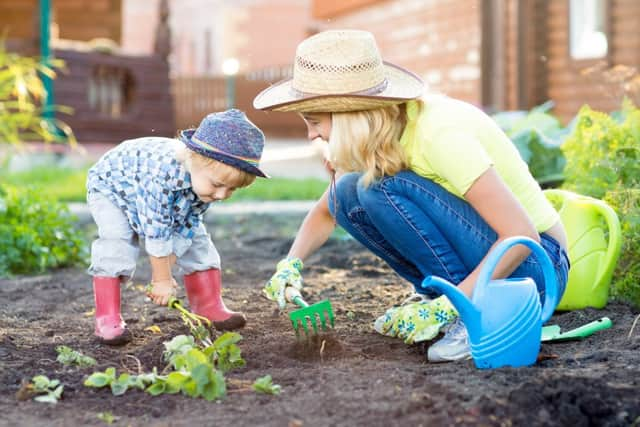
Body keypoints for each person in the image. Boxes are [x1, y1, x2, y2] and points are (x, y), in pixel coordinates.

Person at [253, 30, 569, 362]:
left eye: (315, 122)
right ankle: (438, 296)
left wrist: (450, 307)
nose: (311, 134)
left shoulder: (439, 135)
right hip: (502, 263)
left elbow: (521, 236)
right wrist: (289, 264)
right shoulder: (389, 130)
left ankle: (468, 311)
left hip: (534, 273)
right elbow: (327, 210)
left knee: (375, 188)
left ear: (351, 117)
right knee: (347, 191)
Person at [86, 109, 268, 345]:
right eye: (218, 185)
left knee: (199, 242)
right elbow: (157, 230)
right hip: (112, 187)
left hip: (154, 191)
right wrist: (161, 280)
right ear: (193, 160)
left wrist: (165, 270)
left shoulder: (204, 185)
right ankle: (107, 317)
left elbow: (186, 227)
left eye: (232, 189)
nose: (222, 195)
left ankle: (208, 305)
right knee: (117, 242)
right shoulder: (161, 177)